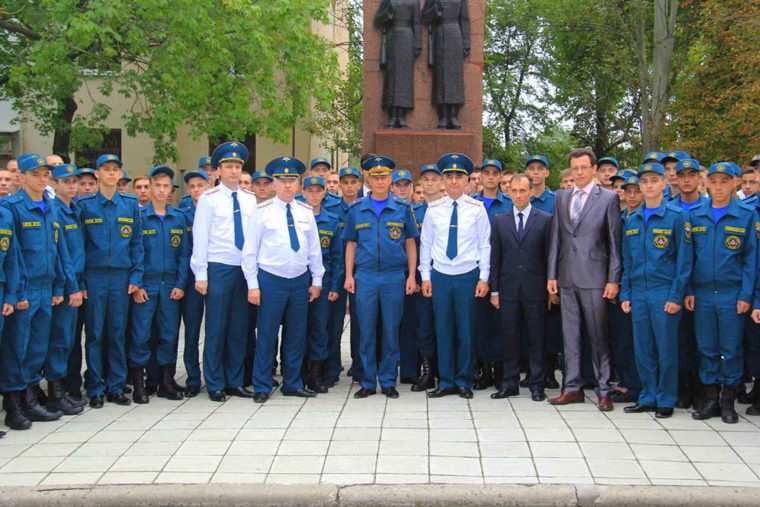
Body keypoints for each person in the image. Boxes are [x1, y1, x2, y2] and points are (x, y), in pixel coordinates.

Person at [0, 154, 80, 430]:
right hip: (25, 289)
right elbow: (14, 256)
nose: (42, 179)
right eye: (35, 174)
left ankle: (31, 398)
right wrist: (17, 292)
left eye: (45, 174)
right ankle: (14, 404)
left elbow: (58, 251)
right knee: (17, 348)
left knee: (37, 347)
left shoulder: (51, 207)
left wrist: (61, 285)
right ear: (22, 177)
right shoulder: (12, 208)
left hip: (46, 288)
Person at [243, 156, 325, 403]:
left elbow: (314, 249)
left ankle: (292, 382)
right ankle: (262, 384)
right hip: (271, 280)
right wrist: (253, 285)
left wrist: (317, 280)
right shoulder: (261, 212)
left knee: (296, 335)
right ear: (274, 184)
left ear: (298, 183)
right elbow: (250, 251)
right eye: (282, 180)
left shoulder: (305, 212)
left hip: (299, 280)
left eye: (292, 180)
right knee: (267, 334)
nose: (288, 185)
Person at [547, 148, 622, 412]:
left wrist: (613, 279)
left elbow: (614, 242)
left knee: (598, 336)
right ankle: (571, 387)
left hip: (595, 278)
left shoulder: (608, 198)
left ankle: (604, 390)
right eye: (575, 168)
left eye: (583, 168)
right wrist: (552, 275)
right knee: (570, 336)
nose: (579, 173)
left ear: (593, 170)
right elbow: (556, 237)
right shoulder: (561, 197)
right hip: (566, 276)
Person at [620, 163, 692, 419]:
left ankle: (666, 398)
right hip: (639, 292)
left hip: (664, 292)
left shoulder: (676, 216)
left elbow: (684, 262)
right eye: (644, 181)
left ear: (663, 183)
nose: (649, 185)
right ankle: (648, 395)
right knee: (643, 348)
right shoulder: (633, 219)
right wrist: (626, 293)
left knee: (666, 349)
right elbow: (627, 261)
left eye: (654, 180)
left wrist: (676, 295)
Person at [687, 162, 757, 424]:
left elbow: (752, 260)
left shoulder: (747, 215)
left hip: (732, 293)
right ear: (706, 183)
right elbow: (689, 258)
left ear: (735, 183)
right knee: (706, 346)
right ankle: (711, 399)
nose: (718, 187)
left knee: (731, 348)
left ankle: (728, 400)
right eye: (714, 182)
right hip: (703, 292)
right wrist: (689, 289)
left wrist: (746, 295)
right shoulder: (696, 215)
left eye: (724, 182)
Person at [343, 155, 418, 399]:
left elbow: (410, 244)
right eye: (375, 177)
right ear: (368, 179)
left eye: (384, 177)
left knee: (391, 329)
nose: (379, 181)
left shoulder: (402, 209)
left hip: (393, 277)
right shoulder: (357, 209)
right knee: (365, 330)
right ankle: (367, 381)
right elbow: (351, 244)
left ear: (390, 180)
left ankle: (387, 381)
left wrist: (411, 276)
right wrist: (349, 275)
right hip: (365, 277)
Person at [190, 142, 256, 402]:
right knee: (217, 327)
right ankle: (215, 382)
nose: (233, 171)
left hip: (244, 269)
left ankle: (234, 380)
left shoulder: (250, 200)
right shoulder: (209, 199)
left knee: (239, 328)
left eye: (237, 166)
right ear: (218, 171)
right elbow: (200, 237)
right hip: (218, 267)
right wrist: (201, 274)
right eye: (228, 166)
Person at [420, 153, 490, 399]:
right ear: (443, 180)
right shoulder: (434, 209)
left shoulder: (477, 209)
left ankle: (464, 380)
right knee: (443, 329)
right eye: (449, 176)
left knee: (466, 330)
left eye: (458, 177)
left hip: (467, 275)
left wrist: (484, 277)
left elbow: (485, 245)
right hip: (440, 275)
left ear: (467, 181)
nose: (453, 181)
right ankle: (446, 380)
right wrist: (425, 276)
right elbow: (426, 244)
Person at [78, 154, 144, 408]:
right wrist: (81, 281)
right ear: (97, 174)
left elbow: (137, 243)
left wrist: (136, 276)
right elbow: (80, 246)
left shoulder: (129, 204)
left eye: (115, 169)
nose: (111, 173)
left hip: (120, 276)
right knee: (95, 333)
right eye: (106, 169)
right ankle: (95, 387)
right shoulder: (85, 205)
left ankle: (116, 386)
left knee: (117, 333)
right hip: (94, 275)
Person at [128, 166, 190, 404]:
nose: (162, 190)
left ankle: (166, 381)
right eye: (157, 186)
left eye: (166, 186)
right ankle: (140, 383)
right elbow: (136, 252)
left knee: (169, 334)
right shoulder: (140, 217)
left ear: (171, 189)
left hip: (170, 285)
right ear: (150, 187)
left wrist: (181, 284)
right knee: (141, 334)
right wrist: (137, 284)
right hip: (147, 285)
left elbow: (184, 254)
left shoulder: (178, 217)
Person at [489, 174, 552, 401]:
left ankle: (537, 384)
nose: (518, 195)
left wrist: (550, 288)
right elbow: (495, 257)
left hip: (535, 289)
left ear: (531, 192)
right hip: (508, 289)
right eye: (514, 191)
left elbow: (549, 256)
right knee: (509, 337)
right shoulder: (500, 220)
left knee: (537, 338)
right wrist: (494, 290)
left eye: (522, 191)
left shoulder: (545, 219)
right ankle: (509, 383)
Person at [45, 163, 87, 416]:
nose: (72, 186)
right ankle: (55, 392)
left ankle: (63, 389)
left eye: (74, 182)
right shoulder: (54, 211)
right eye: (66, 182)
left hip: (76, 283)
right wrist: (71, 286)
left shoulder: (75, 209)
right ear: (55, 184)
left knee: (69, 339)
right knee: (59, 340)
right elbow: (61, 257)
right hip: (64, 286)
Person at [670, 158, 708, 409]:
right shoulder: (670, 208)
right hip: (676, 285)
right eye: (681, 175)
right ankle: (683, 388)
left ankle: (703, 389)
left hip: (705, 285)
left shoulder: (709, 207)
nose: (686, 180)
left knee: (703, 341)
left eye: (691, 175)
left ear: (699, 178)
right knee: (681, 339)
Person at [300, 175, 343, 393]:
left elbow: (337, 258)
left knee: (320, 328)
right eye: (310, 190)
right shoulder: (296, 217)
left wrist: (335, 286)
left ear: (324, 192)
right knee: (298, 328)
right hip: (299, 279)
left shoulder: (332, 220)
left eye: (318, 190)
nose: (314, 195)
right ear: (303, 192)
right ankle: (298, 371)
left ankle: (316, 373)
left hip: (323, 282)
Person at [472, 159, 511, 390]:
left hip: (503, 268)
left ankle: (501, 371)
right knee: (480, 321)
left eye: (494, 173)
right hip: (475, 269)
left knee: (501, 322)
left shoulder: (508, 204)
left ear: (499, 177)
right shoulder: (471, 203)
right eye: (486, 173)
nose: (490, 177)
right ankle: (484, 370)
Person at [324, 166, 363, 385]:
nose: (349, 186)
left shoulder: (364, 208)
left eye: (353, 182)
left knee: (360, 320)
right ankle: (332, 368)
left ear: (359, 184)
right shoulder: (331, 208)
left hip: (360, 271)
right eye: (345, 182)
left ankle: (359, 367)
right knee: (334, 321)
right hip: (336, 272)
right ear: (339, 185)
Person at [409, 164, 442, 392]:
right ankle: (428, 372)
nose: (430, 183)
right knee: (423, 326)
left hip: (445, 275)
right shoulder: (413, 213)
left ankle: (446, 369)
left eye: (434, 179)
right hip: (422, 279)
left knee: (446, 324)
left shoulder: (448, 210)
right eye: (426, 179)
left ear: (441, 182)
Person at [177, 168, 210, 397]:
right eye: (192, 186)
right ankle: (192, 377)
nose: (197, 190)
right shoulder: (183, 213)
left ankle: (215, 373)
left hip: (214, 275)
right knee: (191, 330)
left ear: (208, 186)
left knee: (215, 328)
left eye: (201, 185)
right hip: (191, 279)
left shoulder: (217, 208)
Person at [422, 0, 470, 129]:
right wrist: (435, 11)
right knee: (440, 76)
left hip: (455, 35)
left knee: (455, 77)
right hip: (440, 34)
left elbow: (464, 19)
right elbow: (424, 17)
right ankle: (442, 116)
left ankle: (453, 115)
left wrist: (466, 43)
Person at [391, 169, 420, 384]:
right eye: (398, 185)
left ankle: (410, 371)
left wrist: (416, 276)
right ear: (392, 187)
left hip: (415, 275)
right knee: (390, 324)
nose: (402, 189)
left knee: (411, 323)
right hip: (392, 273)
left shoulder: (422, 211)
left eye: (406, 185)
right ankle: (387, 368)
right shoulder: (389, 211)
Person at [374, 0, 422, 128]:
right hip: (392, 38)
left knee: (405, 79)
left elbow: (417, 23)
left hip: (407, 39)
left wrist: (417, 44)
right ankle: (392, 115)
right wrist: (387, 13)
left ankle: (401, 116)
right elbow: (377, 21)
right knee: (391, 78)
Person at [0, 187, 20, 436]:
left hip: (3, 290)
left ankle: (13, 403)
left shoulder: (5, 215)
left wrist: (12, 295)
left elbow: (13, 258)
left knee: (9, 350)